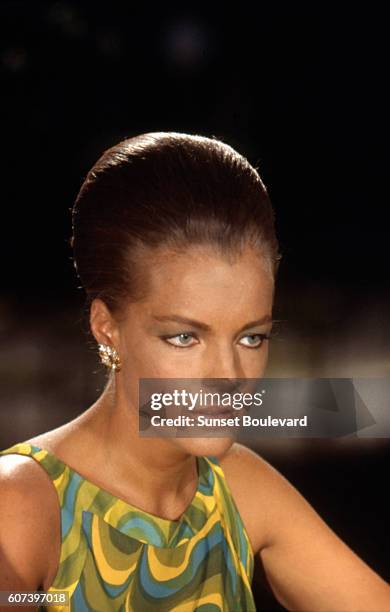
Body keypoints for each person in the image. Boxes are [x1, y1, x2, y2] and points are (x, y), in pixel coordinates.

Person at [0, 132, 389, 612]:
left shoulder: (239, 488)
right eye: (184, 337)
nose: (227, 376)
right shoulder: (20, 506)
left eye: (252, 337)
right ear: (107, 328)